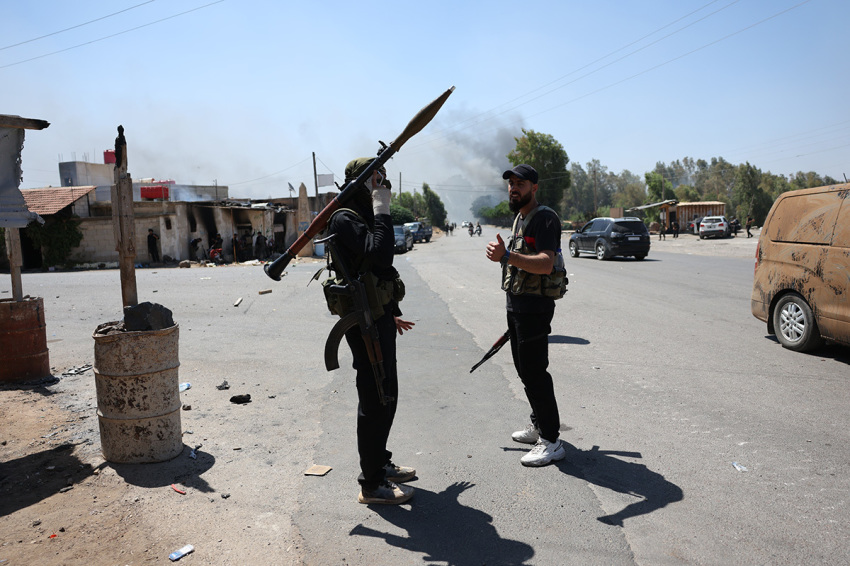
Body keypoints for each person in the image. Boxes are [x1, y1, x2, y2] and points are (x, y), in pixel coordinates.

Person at [327, 157, 416, 504]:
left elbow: (375, 272)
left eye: (384, 178)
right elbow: (382, 256)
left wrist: (390, 312)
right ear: (358, 183)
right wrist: (382, 210)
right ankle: (372, 483)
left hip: (376, 316)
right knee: (375, 396)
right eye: (375, 179)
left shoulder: (360, 215)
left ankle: (380, 463)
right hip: (362, 322)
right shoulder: (344, 217)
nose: (382, 184)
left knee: (387, 394)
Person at [485, 164, 566, 467]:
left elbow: (545, 263)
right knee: (525, 372)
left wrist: (506, 256)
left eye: (521, 183)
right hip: (517, 306)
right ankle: (540, 426)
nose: (514, 188)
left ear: (535, 187)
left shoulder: (544, 218)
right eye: (511, 183)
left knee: (535, 373)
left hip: (534, 308)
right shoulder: (520, 217)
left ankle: (552, 440)